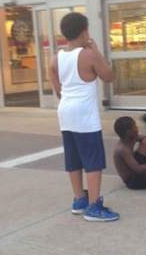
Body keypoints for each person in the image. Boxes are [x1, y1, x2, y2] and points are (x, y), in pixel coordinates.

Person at [48, 12, 119, 222]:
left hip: (65, 111)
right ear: (85, 31)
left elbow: (55, 82)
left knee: (74, 158)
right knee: (93, 160)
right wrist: (97, 51)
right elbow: (109, 76)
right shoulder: (88, 55)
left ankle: (79, 199)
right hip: (84, 114)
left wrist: (64, 95)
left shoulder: (56, 58)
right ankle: (94, 206)